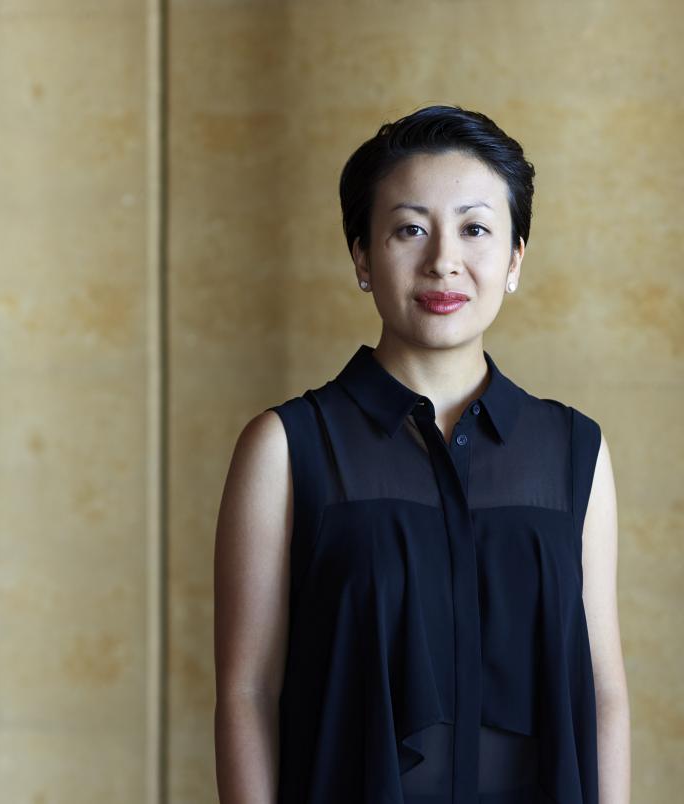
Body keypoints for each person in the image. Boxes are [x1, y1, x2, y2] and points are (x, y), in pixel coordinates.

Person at [214, 105, 629, 803]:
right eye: (410, 229)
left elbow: (604, 689)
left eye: (475, 229)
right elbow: (247, 691)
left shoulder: (573, 451)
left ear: (515, 259)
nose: (443, 261)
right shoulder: (287, 447)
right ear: (362, 257)